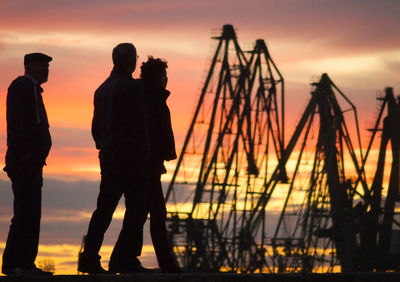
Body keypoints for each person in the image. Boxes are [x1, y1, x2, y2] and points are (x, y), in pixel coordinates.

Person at [78, 43, 152, 274]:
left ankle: (89, 257)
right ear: (133, 61)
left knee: (104, 209)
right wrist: (145, 152)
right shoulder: (131, 87)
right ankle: (125, 259)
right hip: (130, 158)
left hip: (109, 156)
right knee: (138, 208)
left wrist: (103, 146)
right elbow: (139, 124)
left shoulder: (102, 89)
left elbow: (95, 127)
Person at [2, 53, 53, 276]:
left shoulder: (31, 89)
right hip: (25, 163)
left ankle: (25, 263)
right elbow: (18, 122)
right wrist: (25, 155)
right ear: (29, 66)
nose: (46, 70)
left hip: (32, 162)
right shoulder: (22, 87)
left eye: (47, 66)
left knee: (31, 213)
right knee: (25, 213)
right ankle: (15, 264)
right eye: (42, 66)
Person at [140, 57, 180, 273]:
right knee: (156, 213)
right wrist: (156, 157)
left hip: (149, 162)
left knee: (139, 213)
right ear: (158, 77)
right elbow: (154, 132)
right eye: (165, 76)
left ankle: (123, 256)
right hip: (148, 165)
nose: (167, 80)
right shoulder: (152, 99)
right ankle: (167, 263)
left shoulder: (146, 97)